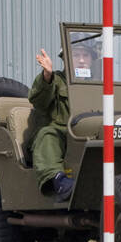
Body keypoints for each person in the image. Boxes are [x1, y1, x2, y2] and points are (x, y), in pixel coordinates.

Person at [29, 48, 75, 200]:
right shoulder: (57, 80)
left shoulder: (102, 82)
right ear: (65, 59)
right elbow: (38, 102)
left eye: (86, 55)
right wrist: (47, 76)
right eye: (76, 55)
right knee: (47, 134)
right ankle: (58, 179)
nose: (81, 60)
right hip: (62, 132)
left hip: (93, 133)